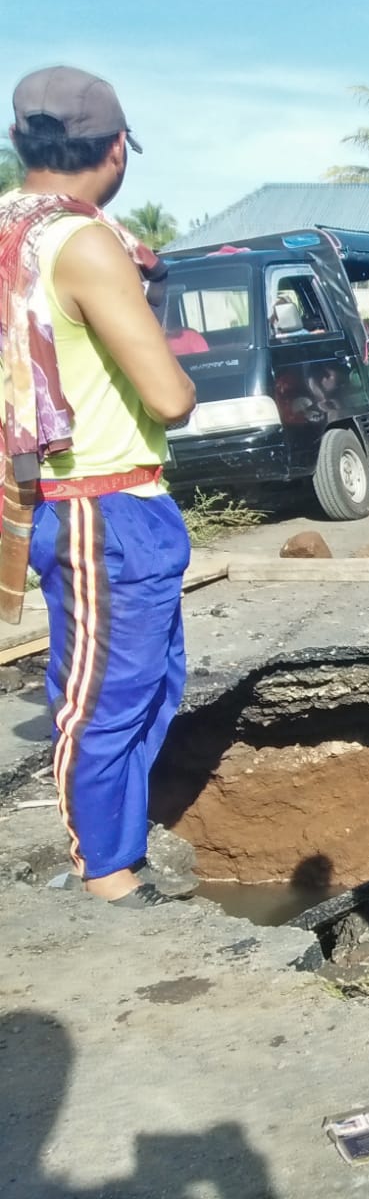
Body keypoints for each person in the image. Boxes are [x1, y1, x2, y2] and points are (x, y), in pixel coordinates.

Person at [0, 67, 196, 906]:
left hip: (54, 492)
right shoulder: (82, 243)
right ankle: (109, 872)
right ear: (115, 151)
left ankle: (116, 840)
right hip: (100, 500)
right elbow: (171, 398)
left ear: (21, 144)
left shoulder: (16, 230)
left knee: (139, 677)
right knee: (109, 693)